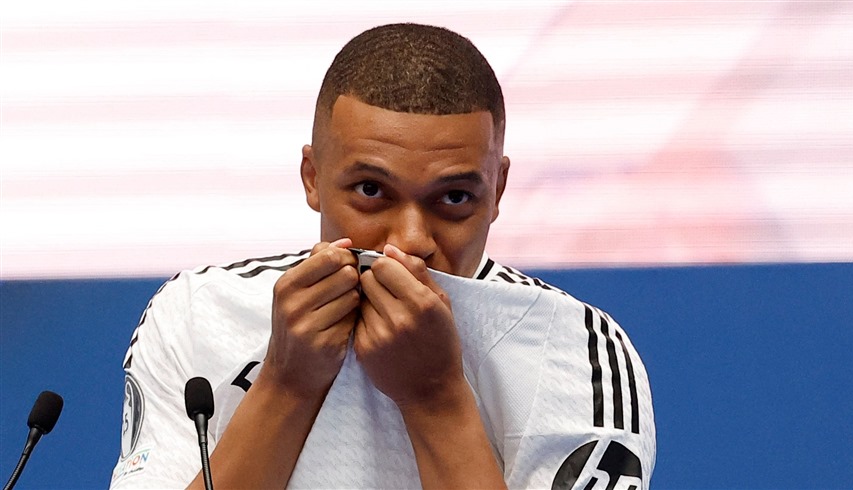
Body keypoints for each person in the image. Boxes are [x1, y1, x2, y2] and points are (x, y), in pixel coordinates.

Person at [110, 23, 655, 489]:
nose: (410, 240)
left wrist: (436, 398)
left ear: (497, 191)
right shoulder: (197, 313)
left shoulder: (578, 351)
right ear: (312, 178)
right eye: (372, 191)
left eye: (454, 198)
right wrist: (285, 386)